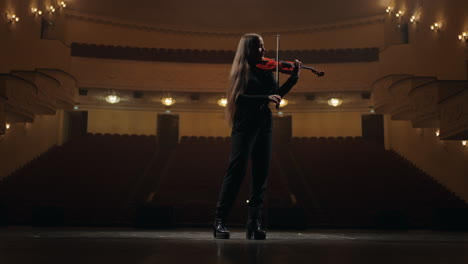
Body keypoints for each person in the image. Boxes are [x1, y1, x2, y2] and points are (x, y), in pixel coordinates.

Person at [214, 33, 301, 240]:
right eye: (259, 47)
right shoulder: (241, 71)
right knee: (237, 172)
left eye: (263, 47)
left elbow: (276, 94)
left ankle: (254, 223)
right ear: (248, 50)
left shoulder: (268, 69)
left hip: (264, 123)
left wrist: (294, 78)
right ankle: (220, 221)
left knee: (261, 174)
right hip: (244, 125)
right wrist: (265, 97)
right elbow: (239, 98)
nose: (264, 51)